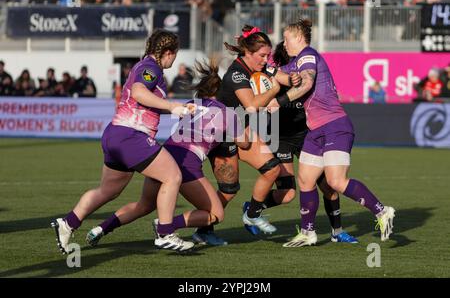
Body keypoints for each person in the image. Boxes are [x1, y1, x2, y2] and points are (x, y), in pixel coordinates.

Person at [51, 29, 198, 254]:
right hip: (131, 135)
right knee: (173, 176)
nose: (174, 59)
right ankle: (166, 233)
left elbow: (145, 103)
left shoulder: (144, 66)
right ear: (168, 52)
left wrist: (176, 107)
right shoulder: (152, 68)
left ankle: (69, 222)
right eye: (175, 54)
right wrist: (171, 106)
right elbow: (139, 93)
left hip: (116, 134)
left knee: (107, 191)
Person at [84, 59, 250, 247]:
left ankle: (101, 229)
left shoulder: (190, 103)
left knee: (144, 205)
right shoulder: (228, 113)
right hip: (187, 163)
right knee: (216, 214)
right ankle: (166, 226)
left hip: (163, 155)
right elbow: (244, 144)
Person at [267, 19, 395, 247]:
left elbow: (306, 84)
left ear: (298, 37)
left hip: (335, 125)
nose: (283, 43)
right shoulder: (296, 61)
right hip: (316, 131)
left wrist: (280, 101)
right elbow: (279, 74)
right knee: (306, 180)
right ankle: (308, 232)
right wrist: (252, 58)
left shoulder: (307, 55)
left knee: (336, 181)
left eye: (286, 38)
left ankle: (382, 211)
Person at [193, 25, 297, 243]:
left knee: (272, 170)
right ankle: (202, 230)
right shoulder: (236, 74)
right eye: (262, 55)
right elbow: (251, 105)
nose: (266, 59)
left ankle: (252, 215)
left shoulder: (259, 67)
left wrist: (296, 79)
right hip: (222, 136)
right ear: (248, 53)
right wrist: (275, 90)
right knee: (229, 190)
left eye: (268, 55)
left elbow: (283, 77)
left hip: (243, 130)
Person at [265, 41, 358, 243]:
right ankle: (254, 209)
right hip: (281, 137)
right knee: (288, 191)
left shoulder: (306, 72)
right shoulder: (275, 78)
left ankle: (337, 231)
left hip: (306, 134)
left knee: (328, 186)